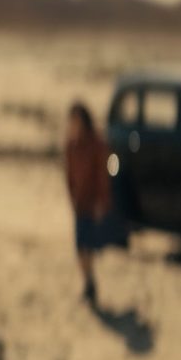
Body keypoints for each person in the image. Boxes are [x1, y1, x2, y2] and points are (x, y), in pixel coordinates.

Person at [61, 101, 116, 305]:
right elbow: (68, 175)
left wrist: (102, 201)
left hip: (92, 202)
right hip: (79, 201)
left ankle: (90, 283)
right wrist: (72, 197)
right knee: (79, 247)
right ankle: (88, 282)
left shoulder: (96, 144)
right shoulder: (71, 145)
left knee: (88, 245)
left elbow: (103, 175)